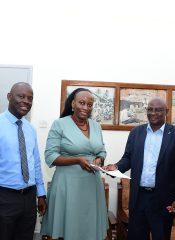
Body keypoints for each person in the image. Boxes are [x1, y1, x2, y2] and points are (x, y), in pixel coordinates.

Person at [104, 97, 175, 240]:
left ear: (166, 112)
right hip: (138, 199)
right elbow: (128, 158)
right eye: (150, 109)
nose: (153, 113)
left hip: (163, 200)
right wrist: (117, 167)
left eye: (158, 110)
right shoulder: (136, 132)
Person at [0, 82, 47, 240]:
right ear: (9, 97)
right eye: (21, 96)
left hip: (29, 198)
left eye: (30, 98)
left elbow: (35, 163)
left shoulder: (30, 129)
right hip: (4, 199)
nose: (26, 101)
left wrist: (41, 194)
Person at [41, 88, 108, 240]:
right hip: (67, 185)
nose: (86, 108)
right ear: (73, 104)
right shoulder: (59, 124)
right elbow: (50, 156)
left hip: (92, 186)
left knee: (89, 229)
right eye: (82, 103)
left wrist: (99, 159)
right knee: (67, 229)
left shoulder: (96, 125)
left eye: (90, 105)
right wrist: (77, 160)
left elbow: (102, 150)